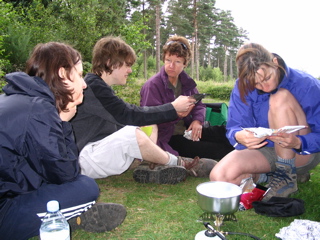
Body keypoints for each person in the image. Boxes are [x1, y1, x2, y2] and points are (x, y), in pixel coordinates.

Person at [0, 42, 127, 240]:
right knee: (86, 188)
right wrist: (64, 122)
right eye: (79, 74)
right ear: (63, 74)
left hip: (9, 189)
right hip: (3, 212)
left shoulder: (19, 100)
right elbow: (66, 174)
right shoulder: (40, 110)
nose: (84, 84)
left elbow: (38, 168)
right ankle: (62, 221)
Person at [70, 36, 210, 184]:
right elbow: (128, 114)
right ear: (110, 63)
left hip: (100, 151)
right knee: (132, 134)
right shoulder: (93, 87)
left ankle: (149, 165)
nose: (130, 70)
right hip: (84, 158)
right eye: (127, 65)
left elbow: (128, 117)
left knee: (149, 124)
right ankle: (181, 163)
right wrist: (173, 108)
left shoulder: (100, 87)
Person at [209, 42, 320, 201]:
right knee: (220, 177)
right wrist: (239, 136)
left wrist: (298, 142)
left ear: (274, 62)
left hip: (300, 150)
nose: (265, 87)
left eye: (267, 78)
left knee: (279, 97)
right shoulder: (243, 85)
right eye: (257, 84)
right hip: (266, 148)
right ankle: (269, 176)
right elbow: (234, 126)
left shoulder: (307, 84)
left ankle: (286, 177)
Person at [140, 35, 234, 160]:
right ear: (163, 59)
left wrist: (197, 121)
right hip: (169, 137)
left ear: (185, 63)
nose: (171, 66)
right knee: (219, 150)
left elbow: (199, 104)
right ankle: (243, 159)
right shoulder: (152, 86)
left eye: (177, 61)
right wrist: (177, 114)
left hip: (188, 130)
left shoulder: (185, 82)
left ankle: (253, 146)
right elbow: (150, 120)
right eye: (168, 60)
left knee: (226, 132)